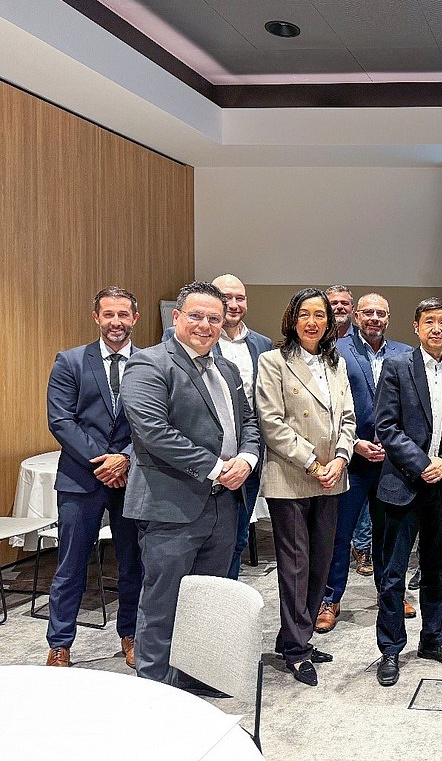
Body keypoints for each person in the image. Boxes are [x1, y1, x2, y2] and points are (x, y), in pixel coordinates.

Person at [122, 281, 260, 684]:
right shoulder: (149, 364)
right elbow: (153, 431)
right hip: (171, 507)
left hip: (223, 506)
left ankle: (195, 681)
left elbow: (248, 422)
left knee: (207, 604)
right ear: (177, 317)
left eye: (214, 319)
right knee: (163, 606)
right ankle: (157, 697)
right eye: (196, 316)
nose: (205, 325)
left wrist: (248, 460)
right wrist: (218, 468)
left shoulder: (228, 368)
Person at [373, 298, 442, 687]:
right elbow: (387, 425)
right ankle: (390, 650)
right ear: (416, 326)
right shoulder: (397, 367)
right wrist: (422, 464)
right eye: (429, 322)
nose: (437, 329)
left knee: (436, 571)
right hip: (404, 486)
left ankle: (433, 638)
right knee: (394, 575)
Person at [256, 288, 356, 686]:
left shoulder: (336, 363)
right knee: (295, 568)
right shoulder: (273, 361)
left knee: (320, 563)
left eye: (320, 314)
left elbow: (348, 417)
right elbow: (272, 422)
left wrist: (341, 459)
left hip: (332, 477)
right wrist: (314, 463)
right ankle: (297, 651)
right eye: (304, 314)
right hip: (292, 478)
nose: (312, 321)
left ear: (329, 322)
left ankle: (296, 635)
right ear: (292, 320)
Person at [44, 286, 144, 668]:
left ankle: (131, 635)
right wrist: (104, 462)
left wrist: (127, 458)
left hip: (133, 479)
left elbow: (155, 421)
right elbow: (61, 420)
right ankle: (59, 643)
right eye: (108, 315)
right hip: (80, 479)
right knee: (71, 564)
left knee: (133, 563)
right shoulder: (69, 362)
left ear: (134, 318)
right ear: (96, 318)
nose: (116, 322)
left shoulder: (149, 363)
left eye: (123, 315)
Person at [161, 274, 273, 580]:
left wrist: (248, 457)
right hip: (197, 466)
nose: (234, 305)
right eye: (226, 298)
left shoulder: (261, 344)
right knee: (189, 552)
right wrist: (215, 466)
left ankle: (223, 609)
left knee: (235, 540)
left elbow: (254, 410)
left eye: (240, 297)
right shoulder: (174, 347)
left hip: (246, 460)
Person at [317, 293, 415, 633]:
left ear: (389, 318)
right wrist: (354, 444)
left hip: (392, 463)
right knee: (339, 534)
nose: (375, 317)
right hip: (351, 460)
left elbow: (414, 408)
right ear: (356, 316)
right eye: (368, 312)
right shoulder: (336, 351)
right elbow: (328, 407)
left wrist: (398, 446)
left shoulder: (405, 354)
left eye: (381, 313)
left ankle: (392, 595)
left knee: (390, 535)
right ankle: (329, 598)